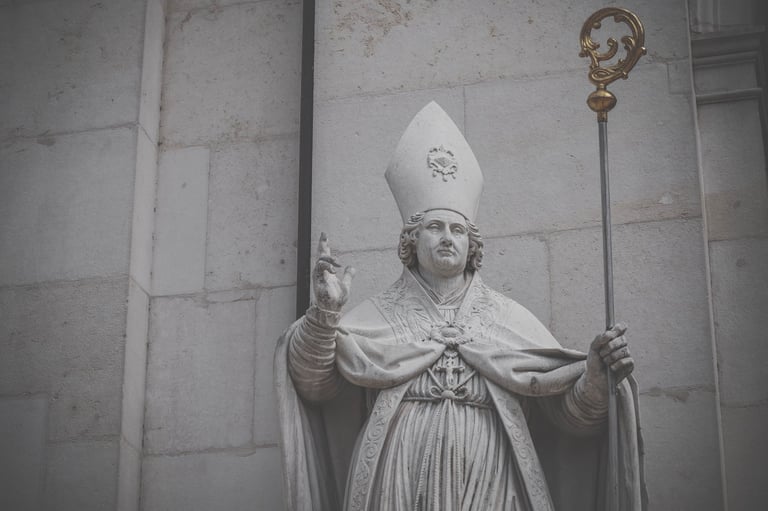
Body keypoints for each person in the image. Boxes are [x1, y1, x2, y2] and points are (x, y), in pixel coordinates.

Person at [275, 102, 644, 511]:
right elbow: (314, 386)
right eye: (434, 227)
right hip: (399, 474)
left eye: (457, 229)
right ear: (411, 240)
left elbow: (574, 419)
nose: (447, 238)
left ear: (472, 245)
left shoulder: (507, 318)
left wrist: (596, 378)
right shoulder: (377, 315)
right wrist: (325, 317)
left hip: (492, 472)